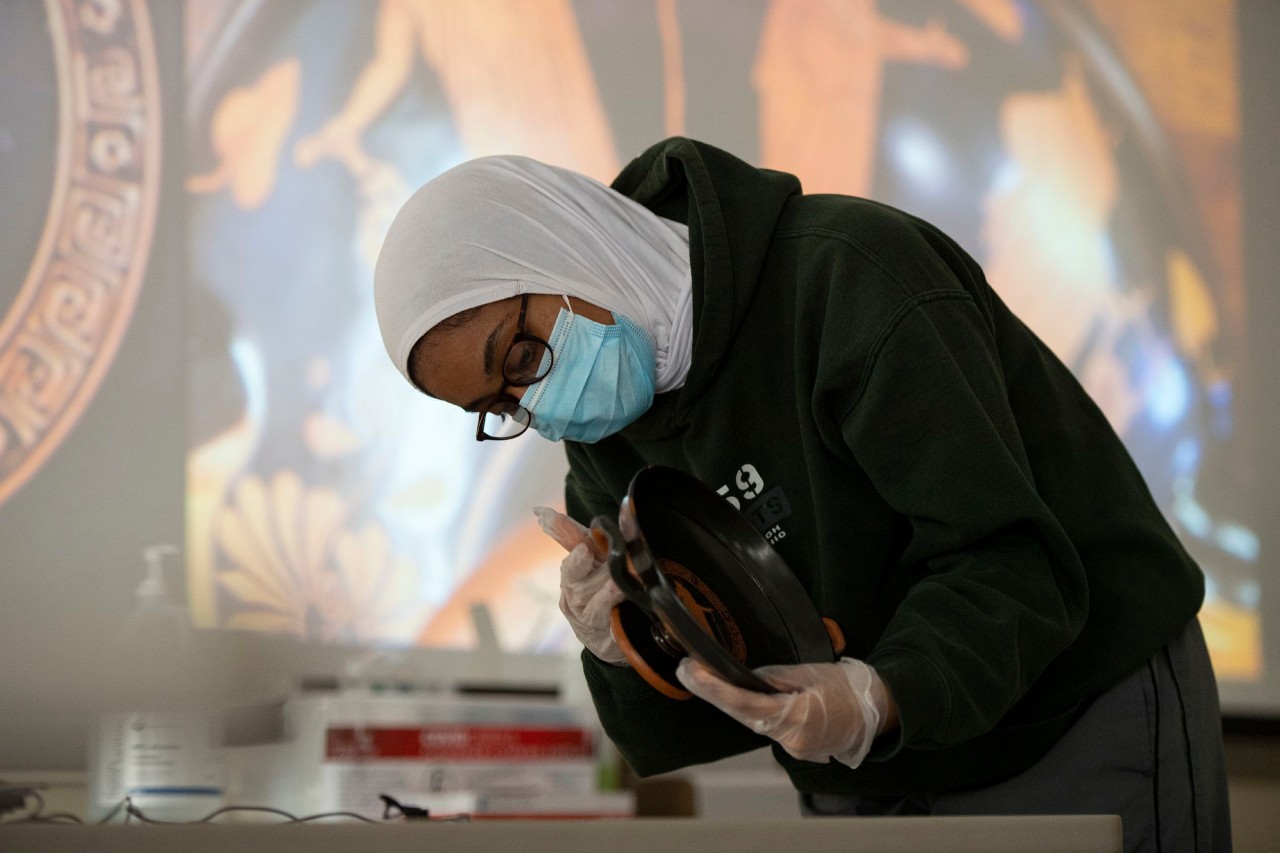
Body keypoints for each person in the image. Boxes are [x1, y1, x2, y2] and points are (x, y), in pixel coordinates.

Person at [373, 137, 1230, 850]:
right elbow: (713, 688)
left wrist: (876, 697)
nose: (539, 404)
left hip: (1069, 709)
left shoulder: (851, 281)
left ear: (562, 244)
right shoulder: (606, 435)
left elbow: (1014, 563)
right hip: (870, 773)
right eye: (501, 406)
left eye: (518, 357)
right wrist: (627, 640)